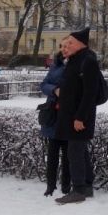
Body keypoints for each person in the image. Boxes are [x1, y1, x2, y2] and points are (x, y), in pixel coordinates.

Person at [54, 27, 102, 205]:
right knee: (80, 151)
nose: (68, 45)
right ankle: (86, 186)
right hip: (72, 116)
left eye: (71, 42)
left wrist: (80, 117)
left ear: (81, 44)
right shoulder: (76, 60)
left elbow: (90, 93)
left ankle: (79, 189)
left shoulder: (87, 61)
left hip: (79, 117)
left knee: (75, 152)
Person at [39, 46, 70, 197]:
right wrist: (54, 90)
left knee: (68, 155)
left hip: (69, 115)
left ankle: (66, 186)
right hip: (53, 114)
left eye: (68, 46)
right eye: (62, 47)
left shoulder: (78, 64)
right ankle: (50, 186)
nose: (65, 50)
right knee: (52, 154)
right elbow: (43, 85)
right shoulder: (55, 66)